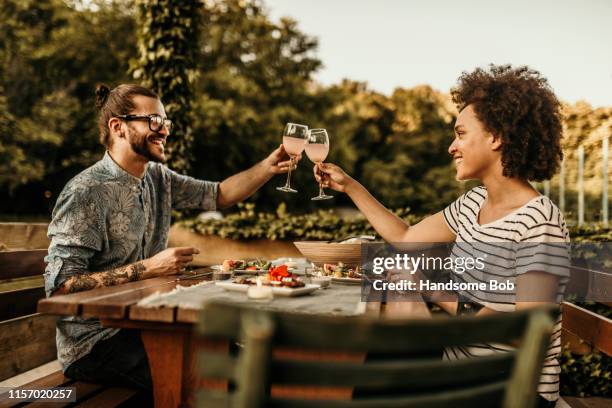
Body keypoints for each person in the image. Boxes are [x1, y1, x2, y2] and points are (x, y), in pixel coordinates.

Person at [315, 64, 568, 407]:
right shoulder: (473, 202)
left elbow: (526, 330)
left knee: (370, 382)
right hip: (462, 374)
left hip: (510, 388)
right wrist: (350, 186)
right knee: (363, 375)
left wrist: (429, 289)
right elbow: (406, 238)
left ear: (496, 137)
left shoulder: (539, 221)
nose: (452, 146)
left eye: (461, 134)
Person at [43, 83, 298, 392]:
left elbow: (218, 195)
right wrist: (149, 268)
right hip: (96, 344)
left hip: (151, 323)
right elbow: (61, 287)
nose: (163, 130)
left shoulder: (157, 177)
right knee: (221, 377)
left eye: (165, 122)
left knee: (246, 357)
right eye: (153, 121)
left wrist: (267, 168)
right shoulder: (85, 192)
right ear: (117, 127)